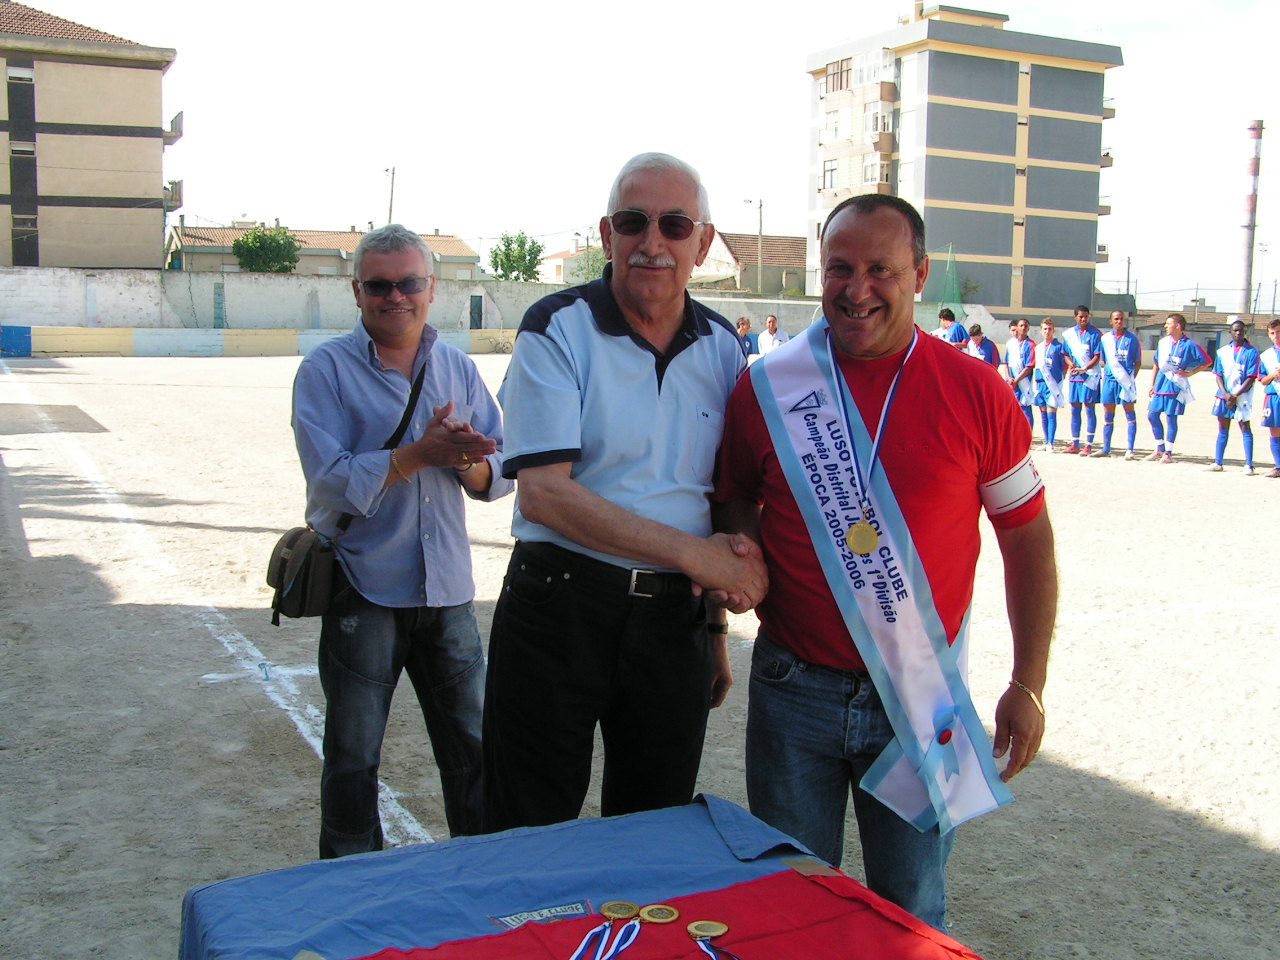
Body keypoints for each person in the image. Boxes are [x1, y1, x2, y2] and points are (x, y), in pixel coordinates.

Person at [713, 194, 1056, 932]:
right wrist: (745, 555)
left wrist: (1028, 682)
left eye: (881, 269)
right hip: (792, 689)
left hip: (919, 696)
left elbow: (1028, 540)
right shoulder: (769, 386)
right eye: (839, 268)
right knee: (791, 913)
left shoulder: (978, 391)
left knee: (912, 915)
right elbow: (734, 496)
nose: (857, 288)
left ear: (920, 275)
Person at [482, 153, 768, 833]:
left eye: (675, 225)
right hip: (559, 608)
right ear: (608, 235)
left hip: (674, 627)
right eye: (634, 222)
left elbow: (720, 497)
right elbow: (544, 496)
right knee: (523, 834)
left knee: (652, 838)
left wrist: (715, 629)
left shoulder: (724, 348)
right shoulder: (556, 327)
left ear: (703, 243)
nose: (652, 242)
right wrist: (696, 557)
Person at [292, 224, 515, 858]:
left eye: (409, 283)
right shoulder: (326, 371)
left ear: (432, 288)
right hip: (364, 588)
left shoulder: (457, 367)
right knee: (353, 757)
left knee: (474, 749)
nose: (396, 297)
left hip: (447, 590)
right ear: (357, 291)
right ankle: (351, 884)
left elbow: (499, 471)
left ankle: (481, 875)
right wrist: (420, 453)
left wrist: (465, 458)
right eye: (380, 286)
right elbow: (329, 481)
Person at [1146, 313, 1211, 464]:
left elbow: (1207, 361)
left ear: (1178, 326)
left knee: (1171, 418)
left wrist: (1190, 373)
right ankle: (1159, 448)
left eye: (1168, 323)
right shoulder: (1163, 343)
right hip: (1160, 386)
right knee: (1152, 415)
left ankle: (1168, 452)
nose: (1165, 326)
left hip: (1175, 387)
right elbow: (1156, 363)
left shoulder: (1189, 344)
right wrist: (1152, 384)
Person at [1207, 319, 1260, 475]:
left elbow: (1251, 377)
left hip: (1242, 396)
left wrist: (1236, 395)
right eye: (1235, 330)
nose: (1238, 333)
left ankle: (1249, 465)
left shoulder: (1252, 352)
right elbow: (1218, 375)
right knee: (1223, 428)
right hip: (1224, 396)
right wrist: (1226, 394)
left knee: (1245, 427)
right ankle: (1218, 462)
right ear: (1230, 332)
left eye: (1241, 330)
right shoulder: (1222, 352)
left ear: (1245, 332)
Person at [1094, 309, 1143, 459]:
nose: (1119, 321)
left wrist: (1130, 379)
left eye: (1121, 319)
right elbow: (1104, 361)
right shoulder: (1105, 339)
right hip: (1110, 381)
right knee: (1108, 415)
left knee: (1130, 414)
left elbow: (1138, 362)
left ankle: (1130, 449)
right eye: (1116, 319)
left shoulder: (1132, 339)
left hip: (1125, 382)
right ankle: (1106, 448)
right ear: (1111, 321)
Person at [1061, 305, 1102, 455]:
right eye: (1080, 317)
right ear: (1075, 317)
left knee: (1090, 409)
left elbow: (1097, 356)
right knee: (1075, 409)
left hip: (1090, 377)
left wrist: (1084, 368)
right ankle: (1075, 443)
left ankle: (1089, 444)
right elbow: (1065, 354)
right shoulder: (1070, 335)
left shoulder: (1095, 333)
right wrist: (1071, 364)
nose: (1084, 319)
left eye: (1086, 316)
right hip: (1075, 377)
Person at [1033, 318, 1067, 452]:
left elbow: (1064, 366)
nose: (1047, 332)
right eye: (1045, 329)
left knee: (1051, 412)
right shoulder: (1038, 348)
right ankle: (1046, 440)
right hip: (1041, 384)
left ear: (1054, 331)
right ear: (1041, 331)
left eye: (1050, 329)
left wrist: (1060, 381)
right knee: (1043, 414)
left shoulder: (1059, 347)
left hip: (1053, 384)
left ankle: (1051, 443)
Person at [1004, 318, 1035, 430]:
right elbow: (1006, 363)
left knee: (1025, 406)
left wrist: (1017, 380)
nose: (1023, 328)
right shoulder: (1011, 344)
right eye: (1021, 325)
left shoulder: (1031, 345)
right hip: (1012, 382)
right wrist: (1009, 378)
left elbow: (1029, 366)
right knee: (1012, 408)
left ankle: (1029, 433)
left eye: (1026, 326)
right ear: (1017, 327)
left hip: (1023, 382)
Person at [1258, 319, 1280, 478]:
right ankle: (1278, 466)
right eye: (1272, 333)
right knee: (1274, 431)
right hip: (1273, 397)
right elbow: (1262, 380)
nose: (1276, 336)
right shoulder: (1266, 356)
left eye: (1278, 332)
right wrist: (1273, 375)